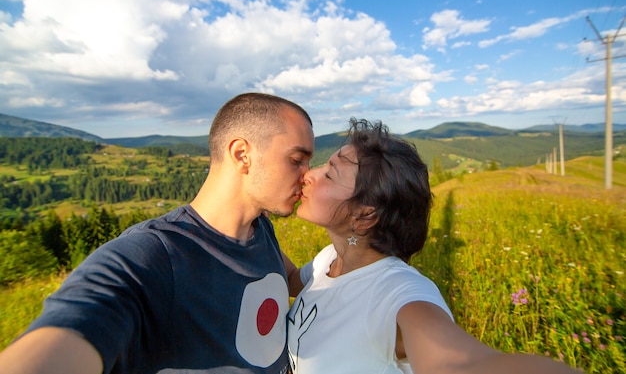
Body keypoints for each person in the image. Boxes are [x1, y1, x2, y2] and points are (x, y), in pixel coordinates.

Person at [0, 93, 315, 374]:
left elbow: (287, 278)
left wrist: (346, 260)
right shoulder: (153, 254)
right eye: (297, 160)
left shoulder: (260, 228)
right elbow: (74, 327)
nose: (307, 175)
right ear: (242, 155)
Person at [283, 118, 582, 374]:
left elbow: (459, 363)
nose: (309, 175)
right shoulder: (330, 259)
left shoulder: (399, 293)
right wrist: (252, 218)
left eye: (330, 174)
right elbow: (289, 281)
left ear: (364, 215)